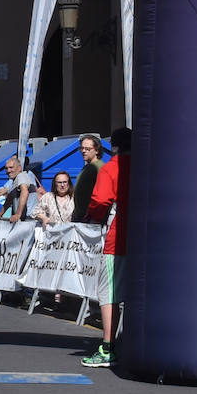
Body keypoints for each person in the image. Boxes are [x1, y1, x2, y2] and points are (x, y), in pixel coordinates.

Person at [82, 127, 130, 368]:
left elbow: (100, 200)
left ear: (113, 147)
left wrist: (94, 216)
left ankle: (108, 347)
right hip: (148, 239)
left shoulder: (112, 167)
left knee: (108, 294)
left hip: (118, 238)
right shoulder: (148, 165)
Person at [0, 156, 35, 222]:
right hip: (25, 220)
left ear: (19, 168)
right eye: (6, 168)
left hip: (29, 220)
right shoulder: (15, 180)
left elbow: (25, 192)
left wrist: (18, 214)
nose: (8, 171)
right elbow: (10, 199)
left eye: (11, 167)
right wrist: (0, 214)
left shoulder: (21, 176)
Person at [69, 134, 103, 222]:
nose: (83, 151)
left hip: (89, 218)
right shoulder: (88, 167)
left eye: (87, 149)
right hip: (82, 216)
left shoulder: (98, 168)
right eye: (82, 148)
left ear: (97, 150)